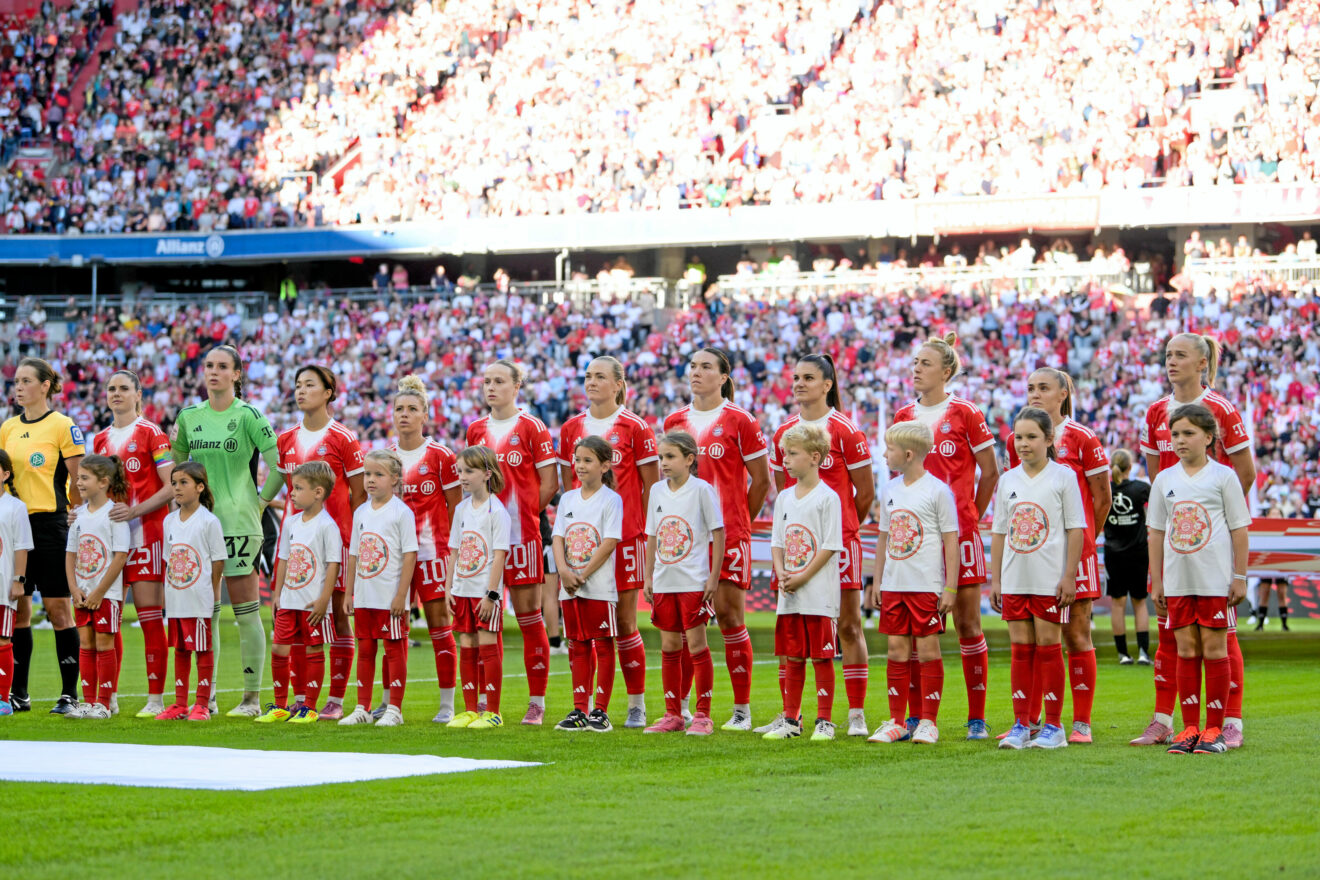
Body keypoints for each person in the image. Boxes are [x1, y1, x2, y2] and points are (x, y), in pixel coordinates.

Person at [1134, 333, 1254, 748]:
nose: (1171, 362)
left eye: (1180, 355)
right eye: (1167, 355)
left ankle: (1229, 721)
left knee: (1222, 637)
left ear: (1202, 363)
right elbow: (1156, 477)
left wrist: (1214, 519)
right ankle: (1166, 719)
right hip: (1174, 540)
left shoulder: (1220, 409)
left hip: (1210, 545)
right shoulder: (1154, 412)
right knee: (1175, 638)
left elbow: (1245, 473)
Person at [892, 334, 999, 739]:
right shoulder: (903, 415)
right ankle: (918, 718)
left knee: (968, 625)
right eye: (914, 362)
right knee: (918, 630)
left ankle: (976, 718)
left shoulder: (966, 413)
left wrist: (969, 515)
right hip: (915, 538)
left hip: (959, 536)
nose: (916, 368)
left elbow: (990, 472)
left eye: (925, 363)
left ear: (946, 371)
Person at [171, 345, 282, 717]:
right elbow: (179, 468)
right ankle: (208, 698)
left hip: (238, 524)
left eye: (222, 366)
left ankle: (251, 699)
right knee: (208, 613)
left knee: (247, 613)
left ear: (237, 374)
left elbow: (279, 465)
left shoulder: (249, 415)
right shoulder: (189, 416)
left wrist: (260, 501)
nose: (213, 372)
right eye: (208, 366)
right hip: (199, 526)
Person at [767, 355, 874, 737]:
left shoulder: (845, 429)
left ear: (827, 384)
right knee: (793, 629)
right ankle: (790, 713)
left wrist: (839, 530)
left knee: (846, 626)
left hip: (838, 544)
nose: (799, 383)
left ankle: (856, 713)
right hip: (797, 548)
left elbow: (866, 493)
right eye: (795, 377)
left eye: (808, 377)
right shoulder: (784, 431)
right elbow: (785, 492)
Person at [665, 347, 770, 732]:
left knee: (729, 617)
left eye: (706, 367)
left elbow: (761, 481)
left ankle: (741, 710)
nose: (696, 372)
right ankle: (682, 710)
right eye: (692, 365)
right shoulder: (676, 420)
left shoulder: (741, 421)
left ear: (724, 376)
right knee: (684, 624)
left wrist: (738, 521)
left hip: (727, 536)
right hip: (685, 540)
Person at [1006, 368, 1111, 744]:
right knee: (1031, 639)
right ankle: (1029, 720)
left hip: (1072, 555)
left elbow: (1102, 499)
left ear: (1063, 394)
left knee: (1076, 635)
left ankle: (1080, 722)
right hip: (1032, 556)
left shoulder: (1082, 438)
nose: (1035, 394)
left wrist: (1081, 546)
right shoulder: (1016, 439)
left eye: (1044, 388)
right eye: (1031, 387)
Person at [558, 356, 659, 728]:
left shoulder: (635, 427)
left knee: (625, 625)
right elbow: (571, 481)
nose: (592, 382)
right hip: (581, 543)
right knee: (583, 629)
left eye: (600, 376)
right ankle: (583, 707)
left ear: (619, 384)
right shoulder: (571, 428)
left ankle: (636, 704)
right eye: (587, 376)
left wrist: (646, 533)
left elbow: (652, 486)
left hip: (625, 539)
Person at [466, 360, 557, 725]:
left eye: (499, 381)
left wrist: (517, 519)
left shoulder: (532, 427)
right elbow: (469, 483)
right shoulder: (475, 430)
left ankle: (537, 703)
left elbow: (549, 483)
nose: (491, 387)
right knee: (485, 621)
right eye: (486, 381)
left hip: (521, 538)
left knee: (529, 617)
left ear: (516, 385)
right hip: (482, 544)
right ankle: (489, 705)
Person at [274, 365, 365, 721]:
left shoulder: (344, 438)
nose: (301, 390)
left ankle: (336, 699)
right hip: (297, 545)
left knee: (337, 620)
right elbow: (291, 491)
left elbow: (357, 495)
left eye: (309, 384)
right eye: (297, 384)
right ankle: (301, 698)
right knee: (295, 619)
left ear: (328, 392)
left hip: (335, 541)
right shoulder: (286, 440)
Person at [991, 407, 1086, 750]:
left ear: (1049, 440)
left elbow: (1076, 529)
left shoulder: (1063, 477)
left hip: (1049, 580)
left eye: (1032, 437)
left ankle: (1054, 726)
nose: (1023, 444)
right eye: (1018, 437)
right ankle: (1021, 724)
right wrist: (997, 579)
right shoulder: (1007, 480)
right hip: (1015, 579)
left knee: (1048, 648)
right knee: (1020, 650)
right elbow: (1000, 532)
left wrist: (1069, 576)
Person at [0, 356, 85, 714]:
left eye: (24, 381)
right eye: (15, 381)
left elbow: (78, 479)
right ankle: (19, 693)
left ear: (45, 385)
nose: (17, 387)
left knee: (58, 609)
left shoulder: (63, 425)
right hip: (15, 526)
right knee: (17, 610)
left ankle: (69, 695)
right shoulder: (7, 428)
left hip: (51, 525)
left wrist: (76, 518)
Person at [866, 422, 958, 745]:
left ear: (907, 454)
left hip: (926, 586)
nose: (884, 454)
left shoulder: (938, 491)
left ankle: (929, 722)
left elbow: (951, 541)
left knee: (928, 649)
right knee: (896, 649)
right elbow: (883, 539)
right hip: (894, 585)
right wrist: (877, 581)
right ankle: (897, 721)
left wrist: (950, 587)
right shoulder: (890, 491)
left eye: (888, 449)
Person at [91, 370, 174, 717]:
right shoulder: (99, 440)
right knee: (108, 618)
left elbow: (171, 486)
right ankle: (107, 698)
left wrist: (135, 511)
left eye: (124, 388)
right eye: (111, 389)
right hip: (111, 538)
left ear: (139, 394)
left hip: (146, 535)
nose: (116, 394)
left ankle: (155, 699)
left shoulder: (152, 434)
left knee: (149, 616)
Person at [762, 424, 842, 743]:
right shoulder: (783, 497)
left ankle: (824, 720)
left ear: (815, 457)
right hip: (789, 591)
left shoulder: (828, 498)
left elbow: (830, 544)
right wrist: (782, 572)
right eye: (784, 454)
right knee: (793, 656)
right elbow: (777, 541)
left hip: (817, 592)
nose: (786, 460)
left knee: (821, 656)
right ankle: (791, 719)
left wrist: (803, 576)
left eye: (792, 454)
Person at [388, 375, 460, 724]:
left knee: (438, 626)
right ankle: (389, 705)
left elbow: (457, 508)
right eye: (399, 408)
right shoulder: (385, 458)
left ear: (425, 415)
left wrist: (453, 557)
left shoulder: (441, 456)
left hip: (432, 553)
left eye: (411, 409)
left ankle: (447, 705)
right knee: (392, 626)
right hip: (394, 557)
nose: (404, 414)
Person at [642, 431, 724, 735]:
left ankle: (703, 714)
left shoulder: (702, 490)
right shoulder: (656, 491)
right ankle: (673, 714)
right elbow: (652, 535)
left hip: (693, 581)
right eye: (661, 457)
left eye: (670, 456)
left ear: (690, 459)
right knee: (669, 646)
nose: (663, 462)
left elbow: (718, 532)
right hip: (664, 582)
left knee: (698, 645)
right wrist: (648, 575)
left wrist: (713, 578)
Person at [259, 462, 342, 724]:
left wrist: (323, 600)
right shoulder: (291, 522)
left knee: (313, 649)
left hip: (312, 603)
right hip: (288, 600)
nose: (291, 493)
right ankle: (281, 705)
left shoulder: (328, 526)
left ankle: (309, 706)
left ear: (318, 492)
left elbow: (333, 565)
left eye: (297, 488)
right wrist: (276, 594)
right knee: (279, 649)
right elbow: (282, 558)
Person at [551, 436, 623, 733]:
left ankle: (600, 711)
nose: (580, 466)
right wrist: (565, 572)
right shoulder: (568, 498)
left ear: (605, 465)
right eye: (577, 460)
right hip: (569, 587)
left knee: (603, 646)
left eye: (587, 460)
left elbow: (609, 541)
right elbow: (558, 538)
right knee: (577, 645)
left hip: (599, 587)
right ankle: (580, 708)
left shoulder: (611, 499)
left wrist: (583, 574)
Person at [340, 451, 417, 727]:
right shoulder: (360, 512)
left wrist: (401, 595)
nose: (370, 480)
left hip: (390, 598)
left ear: (394, 479)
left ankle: (394, 709)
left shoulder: (402, 513)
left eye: (378, 474)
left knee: (394, 649)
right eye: (367, 474)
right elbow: (354, 555)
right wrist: (349, 592)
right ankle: (363, 706)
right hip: (364, 596)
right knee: (366, 649)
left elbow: (410, 555)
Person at [444, 446, 511, 731]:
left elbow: (499, 555)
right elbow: (454, 552)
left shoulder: (497, 511)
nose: (462, 477)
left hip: (485, 594)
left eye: (468, 471)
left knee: (487, 645)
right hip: (461, 590)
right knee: (467, 645)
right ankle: (471, 709)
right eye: (459, 471)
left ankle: (492, 712)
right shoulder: (460, 509)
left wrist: (492, 595)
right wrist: (448, 588)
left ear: (486, 474)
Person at [64, 454, 131, 719]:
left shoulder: (115, 514)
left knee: (105, 644)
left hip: (107, 594)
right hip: (81, 593)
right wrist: (74, 588)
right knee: (85, 644)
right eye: (78, 477)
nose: (78, 483)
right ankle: (88, 702)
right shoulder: (77, 515)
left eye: (83, 478)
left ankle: (104, 703)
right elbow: (70, 554)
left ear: (103, 482)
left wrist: (99, 592)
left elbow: (121, 556)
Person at [157, 463, 226, 721]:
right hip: (177, 598)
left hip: (199, 598)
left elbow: (219, 560)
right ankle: (179, 704)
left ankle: (202, 705)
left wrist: (211, 588)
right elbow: (169, 560)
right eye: (174, 483)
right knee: (181, 650)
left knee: (202, 649)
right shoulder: (169, 521)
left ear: (200, 487)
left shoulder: (209, 521)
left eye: (183, 482)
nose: (177, 487)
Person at [1105, 449, 1151, 665]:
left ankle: (1123, 654)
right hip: (1139, 552)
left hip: (1114, 553)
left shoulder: (1105, 490)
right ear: (1130, 467)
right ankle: (1143, 652)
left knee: (1117, 603)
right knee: (1140, 603)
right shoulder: (1141, 489)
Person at [0, 451, 32, 716]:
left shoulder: (15, 507)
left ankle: (3, 699)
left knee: (2, 640)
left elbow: (21, 548)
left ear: (5, 474)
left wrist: (19, 581)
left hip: (3, 588)